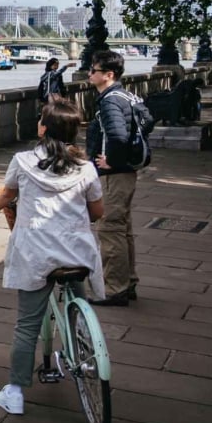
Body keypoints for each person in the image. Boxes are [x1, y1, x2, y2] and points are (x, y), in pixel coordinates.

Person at [0, 99, 104, 415]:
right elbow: (97, 212)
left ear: (44, 129)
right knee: (79, 302)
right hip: (75, 252)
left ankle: (15, 392)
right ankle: (83, 342)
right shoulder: (86, 168)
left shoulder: (23, 162)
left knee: (27, 326)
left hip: (36, 252)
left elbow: (6, 195)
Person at [84, 49, 151, 306]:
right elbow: (148, 120)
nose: (89, 73)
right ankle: (128, 281)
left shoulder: (110, 100)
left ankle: (114, 289)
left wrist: (111, 161)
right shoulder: (127, 95)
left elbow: (118, 136)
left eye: (94, 70)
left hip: (114, 175)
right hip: (126, 172)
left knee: (110, 229)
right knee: (123, 229)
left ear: (108, 75)